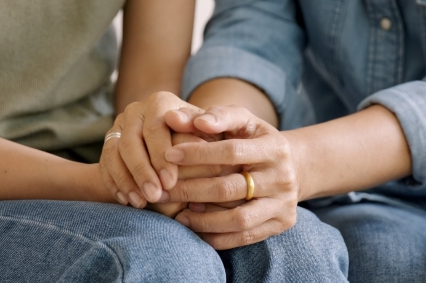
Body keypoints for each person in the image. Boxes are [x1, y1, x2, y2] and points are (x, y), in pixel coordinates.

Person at [102, 0, 426, 282]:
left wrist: (302, 162)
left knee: (385, 261)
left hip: (324, 171)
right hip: (327, 192)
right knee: (277, 243)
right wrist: (215, 135)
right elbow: (251, 35)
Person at [0, 1, 230, 282]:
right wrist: (112, 184)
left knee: (284, 241)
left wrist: (160, 157)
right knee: (159, 257)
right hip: (51, 180)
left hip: (96, 156)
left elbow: (148, 89)